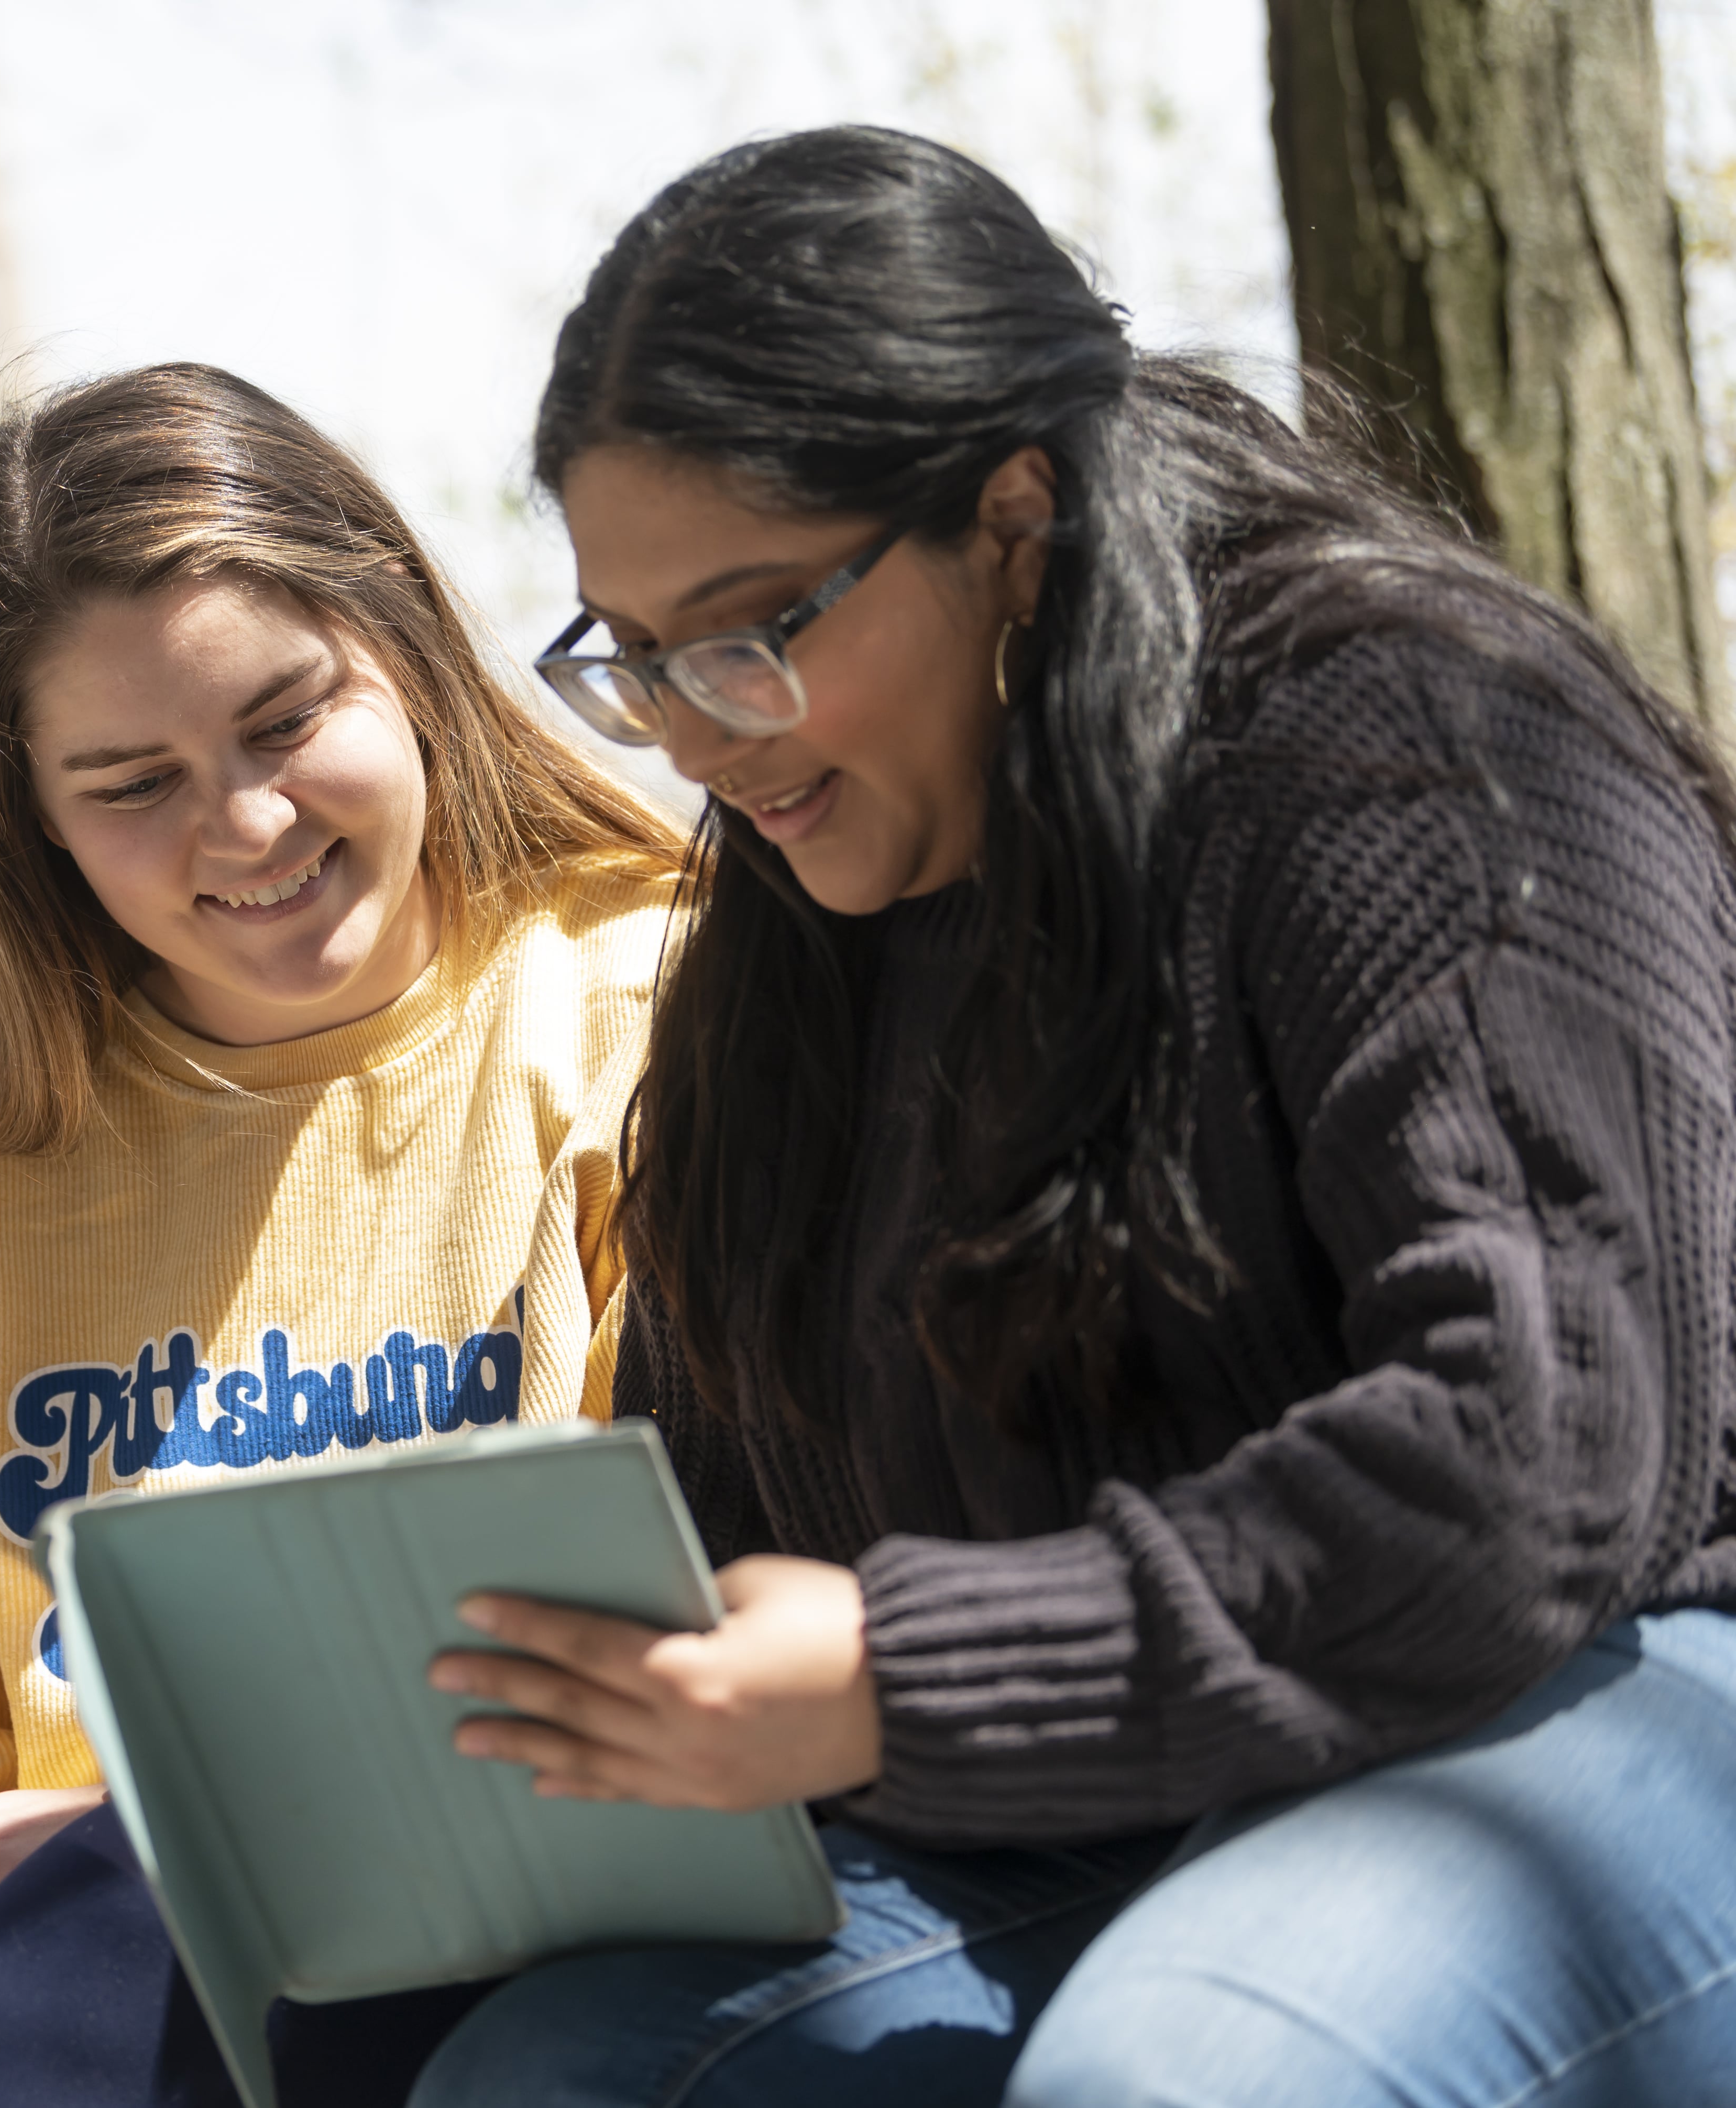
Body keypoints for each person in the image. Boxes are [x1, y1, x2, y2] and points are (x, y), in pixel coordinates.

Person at [402, 126, 1736, 2107]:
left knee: (1179, 2077)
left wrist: (896, 1673)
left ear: (1013, 519)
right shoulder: (801, 899)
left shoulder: (1417, 747)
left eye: (755, 630)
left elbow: (1539, 1452)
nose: (693, 734)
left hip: (1619, 1668)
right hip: (1118, 1770)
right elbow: (743, 1482)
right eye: (638, 656)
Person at [0, 361, 693, 2105]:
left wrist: (160, 1844)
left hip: (565, 1965)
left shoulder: (656, 1014)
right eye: (130, 784)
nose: (243, 825)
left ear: (412, 658)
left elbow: (728, 1602)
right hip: (98, 2025)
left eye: (288, 720)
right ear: (36, 826)